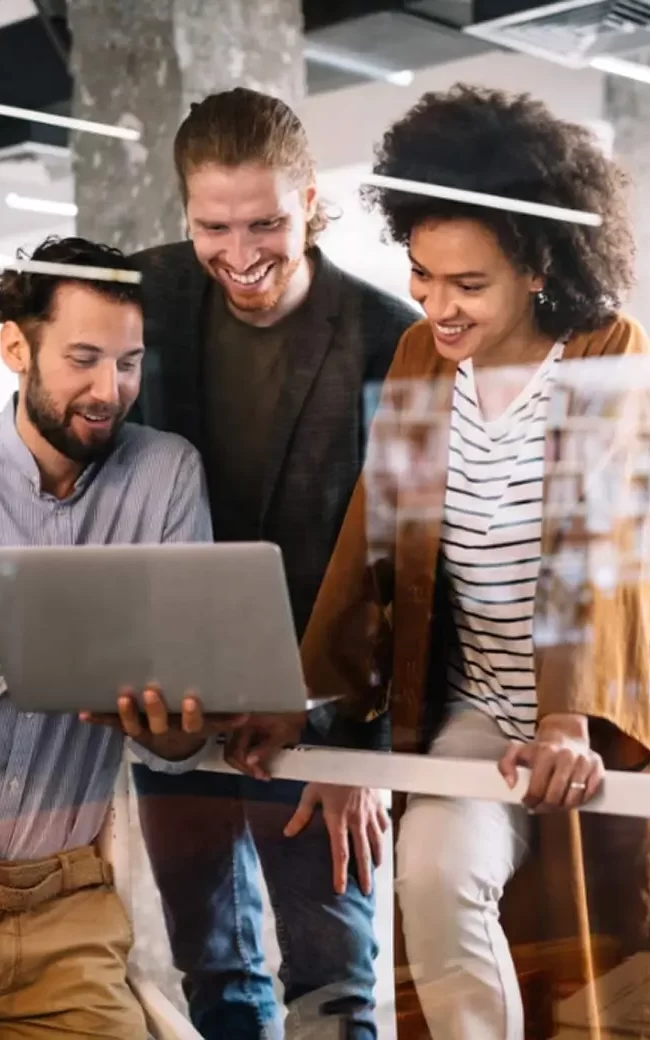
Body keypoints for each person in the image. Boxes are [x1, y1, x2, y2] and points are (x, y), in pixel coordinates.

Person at [301, 84, 650, 1040]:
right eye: (422, 274)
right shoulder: (421, 357)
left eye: (468, 285)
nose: (436, 305)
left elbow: (596, 541)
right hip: (474, 711)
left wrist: (566, 715)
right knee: (432, 878)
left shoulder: (607, 351)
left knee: (618, 969)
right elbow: (379, 536)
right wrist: (314, 712)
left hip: (602, 714)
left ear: (538, 266)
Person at [130, 87, 416, 1039]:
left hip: (319, 715)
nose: (240, 253)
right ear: (184, 213)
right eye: (214, 225)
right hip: (180, 705)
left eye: (266, 222)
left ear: (313, 205)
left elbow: (411, 566)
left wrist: (363, 755)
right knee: (214, 973)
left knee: (333, 985)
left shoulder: (389, 337)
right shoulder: (146, 296)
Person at [0, 236, 248, 1040]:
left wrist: (179, 734)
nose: (111, 390)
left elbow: (175, 724)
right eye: (83, 359)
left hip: (67, 907)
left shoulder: (166, 473)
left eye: (130, 363)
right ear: (14, 347)